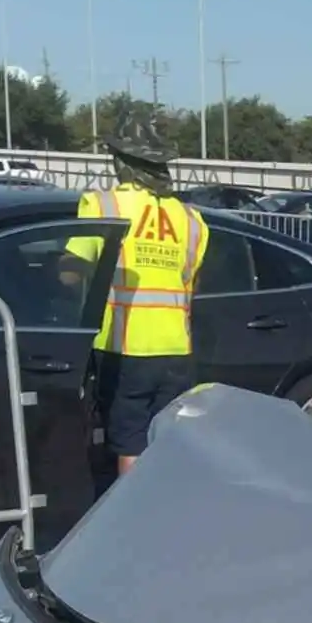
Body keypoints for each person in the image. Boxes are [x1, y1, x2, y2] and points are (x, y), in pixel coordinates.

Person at [65, 127, 212, 476]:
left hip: (124, 345)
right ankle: (165, 512)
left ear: (122, 164)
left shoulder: (104, 204)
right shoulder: (192, 220)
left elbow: (72, 273)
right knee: (168, 440)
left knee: (130, 442)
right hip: (176, 347)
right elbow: (191, 280)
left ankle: (132, 520)